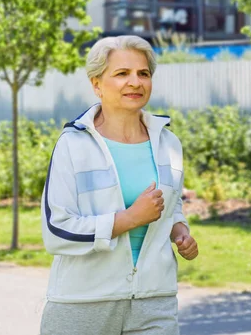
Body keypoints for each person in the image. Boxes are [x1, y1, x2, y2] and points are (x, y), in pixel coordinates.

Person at [40, 35, 198, 335]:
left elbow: (171, 206)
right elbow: (57, 230)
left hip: (155, 300)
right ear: (96, 84)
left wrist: (181, 232)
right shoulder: (72, 145)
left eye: (143, 73)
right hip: (83, 303)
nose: (135, 82)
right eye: (122, 73)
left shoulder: (168, 142)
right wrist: (129, 219)